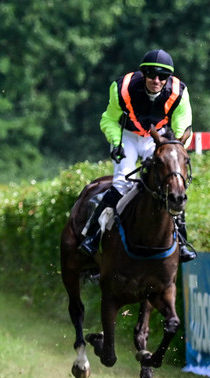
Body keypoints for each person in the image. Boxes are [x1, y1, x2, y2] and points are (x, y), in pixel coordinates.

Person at [79, 49, 196, 261]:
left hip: (158, 138)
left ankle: (182, 240)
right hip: (128, 136)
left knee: (173, 186)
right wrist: (116, 143)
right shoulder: (122, 88)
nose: (156, 80)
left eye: (162, 76)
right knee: (122, 183)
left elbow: (183, 126)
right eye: (151, 74)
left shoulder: (179, 92)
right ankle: (93, 236)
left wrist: (177, 148)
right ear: (143, 74)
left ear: (168, 78)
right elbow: (109, 120)